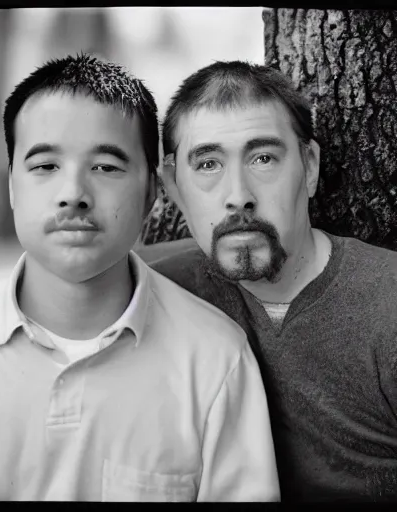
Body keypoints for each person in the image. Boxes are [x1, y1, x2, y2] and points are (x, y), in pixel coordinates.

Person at [0, 54, 279, 502]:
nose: (73, 194)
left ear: (152, 192)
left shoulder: (216, 359)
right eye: (45, 167)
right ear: (13, 186)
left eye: (106, 167)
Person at [139, 60, 397, 502]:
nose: (238, 194)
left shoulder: (387, 307)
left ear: (309, 167)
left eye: (263, 158)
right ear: (173, 185)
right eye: (207, 163)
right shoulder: (153, 290)